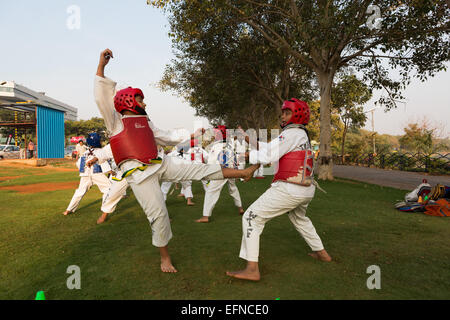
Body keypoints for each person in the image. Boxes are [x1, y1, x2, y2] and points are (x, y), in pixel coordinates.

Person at [94, 48, 259, 273]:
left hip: (160, 163)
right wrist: (102, 67)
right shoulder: (115, 123)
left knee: (200, 169)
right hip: (139, 175)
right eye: (141, 100)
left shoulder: (147, 123)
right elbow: (101, 97)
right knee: (159, 215)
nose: (144, 104)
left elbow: (167, 137)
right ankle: (164, 258)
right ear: (129, 101)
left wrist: (192, 136)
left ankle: (243, 173)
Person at [226, 98, 332, 281]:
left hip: (290, 189)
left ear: (297, 114)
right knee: (299, 218)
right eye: (282, 112)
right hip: (305, 190)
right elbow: (271, 148)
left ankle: (252, 269)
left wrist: (248, 155)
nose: (282, 115)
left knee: (251, 217)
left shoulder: (292, 133)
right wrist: (249, 140)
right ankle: (322, 254)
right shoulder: (299, 134)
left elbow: (269, 154)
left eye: (287, 112)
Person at [195, 125, 245, 223]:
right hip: (232, 170)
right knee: (233, 188)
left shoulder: (216, 146)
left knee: (211, 192)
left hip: (221, 171)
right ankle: (240, 208)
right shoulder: (229, 144)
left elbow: (211, 161)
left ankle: (205, 216)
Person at [62, 133, 113, 218]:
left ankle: (68, 210)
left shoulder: (86, 152)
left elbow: (78, 164)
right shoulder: (100, 151)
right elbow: (103, 162)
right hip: (97, 173)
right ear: (98, 141)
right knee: (108, 190)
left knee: (79, 192)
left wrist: (83, 172)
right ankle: (104, 211)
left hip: (85, 174)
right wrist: (110, 171)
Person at [86, 143, 130, 224]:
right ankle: (104, 214)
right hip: (123, 171)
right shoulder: (119, 138)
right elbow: (107, 151)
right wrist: (95, 159)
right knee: (112, 193)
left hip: (145, 166)